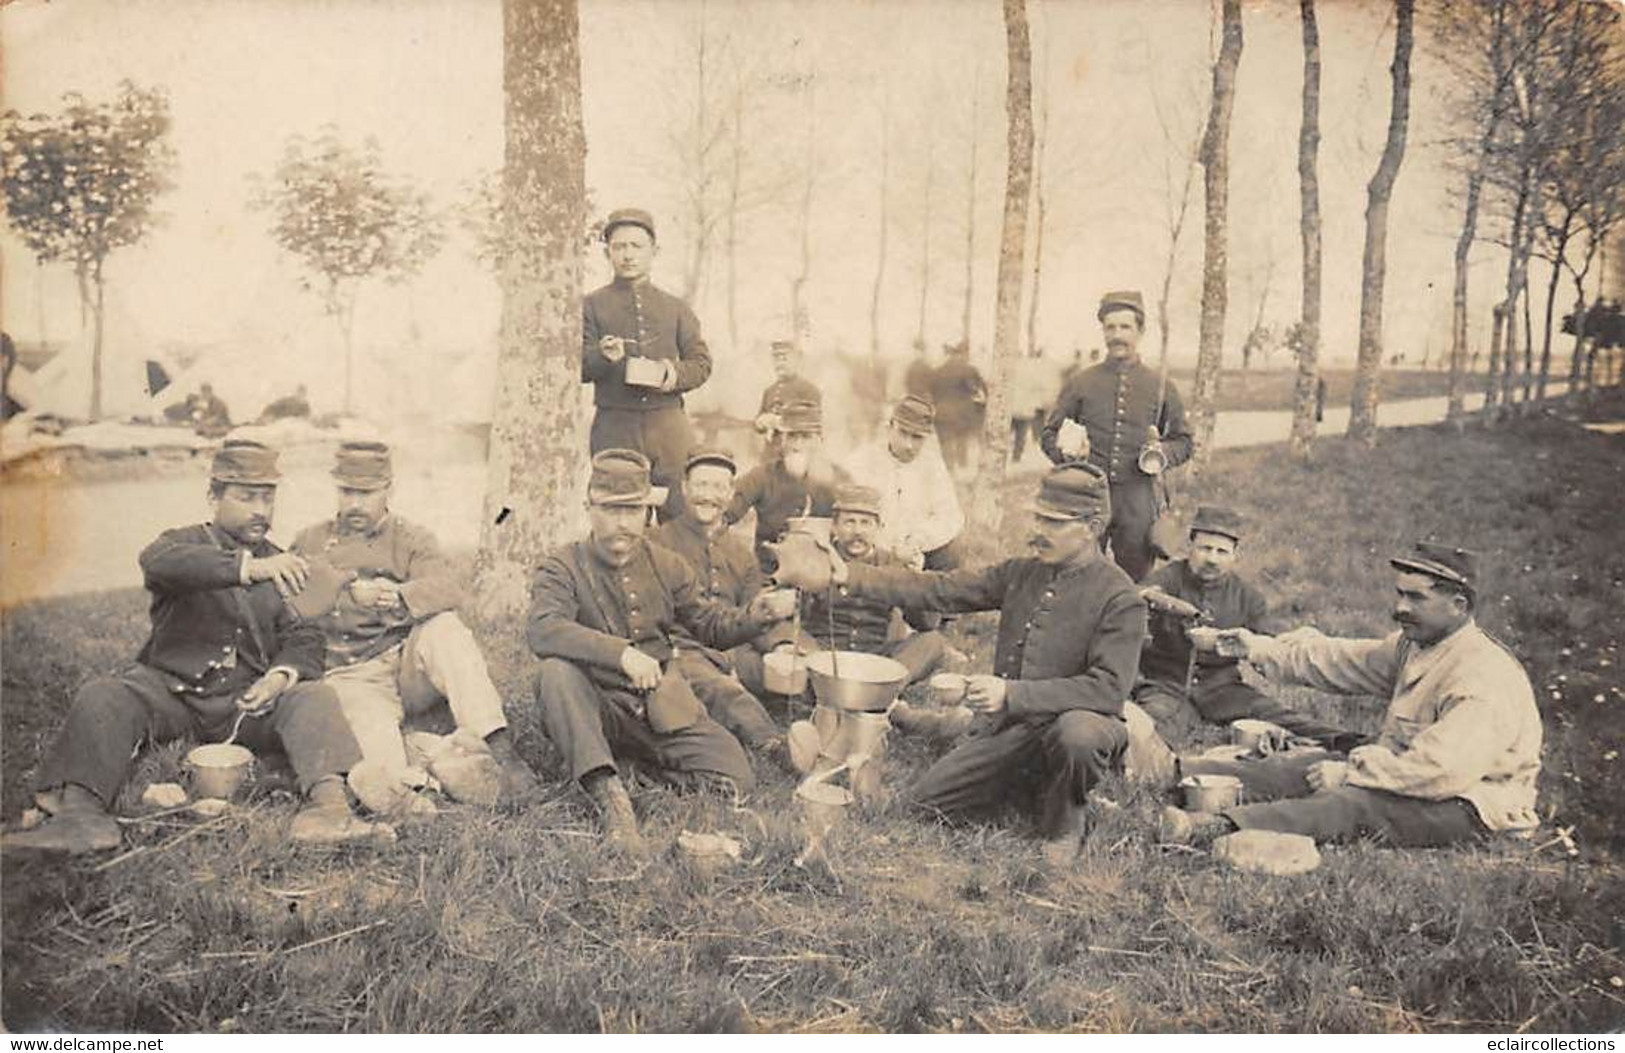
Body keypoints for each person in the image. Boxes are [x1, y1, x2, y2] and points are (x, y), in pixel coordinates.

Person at [2, 439, 379, 854]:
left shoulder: (282, 561)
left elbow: (303, 636)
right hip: (170, 694)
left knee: (314, 696)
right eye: (246, 496)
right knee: (104, 695)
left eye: (268, 498)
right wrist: (247, 568)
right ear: (213, 497)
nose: (260, 509)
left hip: (244, 704)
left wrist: (279, 675)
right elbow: (159, 563)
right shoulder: (181, 543)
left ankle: (327, 811)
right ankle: (81, 817)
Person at [773, 462, 1146, 865]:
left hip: (1075, 723)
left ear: (1090, 527)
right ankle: (1030, 785)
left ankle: (1065, 822)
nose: (1038, 529)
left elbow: (1108, 689)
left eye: (1053, 522)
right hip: (1015, 727)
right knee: (924, 806)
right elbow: (942, 590)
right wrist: (849, 574)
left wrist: (1012, 692)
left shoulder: (1120, 598)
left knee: (1079, 734)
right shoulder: (1023, 572)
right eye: (1038, 517)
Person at [1160, 543, 1543, 848]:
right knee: (1305, 766)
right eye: (1399, 595)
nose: (1399, 608)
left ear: (1458, 606)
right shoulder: (1419, 644)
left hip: (1474, 804)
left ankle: (1212, 827)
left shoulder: (1481, 678)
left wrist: (1351, 772)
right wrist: (1256, 648)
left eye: (1415, 599)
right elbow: (1341, 660)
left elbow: (1439, 772)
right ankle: (1176, 773)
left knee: (1352, 803)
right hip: (1412, 772)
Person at [528, 450, 795, 852]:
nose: (622, 523)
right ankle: (610, 799)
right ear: (589, 509)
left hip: (659, 704)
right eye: (610, 510)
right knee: (555, 673)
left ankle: (634, 771)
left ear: (647, 513)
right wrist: (621, 654)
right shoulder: (562, 565)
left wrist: (758, 615)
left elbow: (710, 626)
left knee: (736, 777)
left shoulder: (666, 564)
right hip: (594, 701)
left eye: (632, 510)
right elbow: (544, 629)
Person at [290, 440, 541, 813]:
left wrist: (399, 595)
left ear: (389, 488)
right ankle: (433, 769)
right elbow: (290, 608)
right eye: (347, 491)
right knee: (385, 772)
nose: (355, 503)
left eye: (367, 492)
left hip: (407, 665)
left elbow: (448, 587)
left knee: (445, 629)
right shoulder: (309, 540)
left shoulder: (411, 537)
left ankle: (501, 749)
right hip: (354, 675)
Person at [1133, 505, 1360, 751]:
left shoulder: (1248, 597)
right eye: (1205, 548)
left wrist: (1235, 642)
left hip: (1222, 688)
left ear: (1235, 555)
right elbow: (1139, 595)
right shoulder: (1167, 578)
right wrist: (1160, 603)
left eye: (1222, 551)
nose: (1212, 559)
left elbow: (1268, 646)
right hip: (1167, 685)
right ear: (1190, 547)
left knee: (1278, 714)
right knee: (1152, 727)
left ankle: (1351, 743)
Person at [1041, 290, 1193, 582]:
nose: (1117, 335)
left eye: (1125, 327)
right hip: (1085, 498)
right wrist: (1066, 453)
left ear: (1141, 331)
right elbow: (1049, 434)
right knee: (1076, 575)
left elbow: (1184, 441)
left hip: (1137, 501)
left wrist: (1160, 454)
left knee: (1133, 581)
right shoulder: (1081, 382)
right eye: (1110, 327)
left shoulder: (1160, 386)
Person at [651, 447, 788, 754]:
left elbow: (755, 613)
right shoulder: (657, 542)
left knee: (790, 676)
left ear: (730, 494)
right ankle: (773, 745)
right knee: (724, 690)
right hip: (680, 650)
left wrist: (783, 647)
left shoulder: (741, 553)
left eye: (718, 487)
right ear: (684, 489)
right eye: (701, 485)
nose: (708, 496)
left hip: (732, 652)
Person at [582, 208, 711, 521]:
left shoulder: (676, 308)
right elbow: (576, 366)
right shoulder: (591, 305)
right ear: (608, 253)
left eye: (636, 246)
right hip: (615, 423)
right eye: (619, 247)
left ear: (654, 251)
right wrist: (602, 357)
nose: (627, 255)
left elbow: (701, 362)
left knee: (681, 513)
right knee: (617, 513)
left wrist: (671, 373)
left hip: (668, 424)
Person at [797, 484, 963, 684]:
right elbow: (795, 616)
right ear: (834, 526)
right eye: (849, 522)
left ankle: (882, 691)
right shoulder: (817, 559)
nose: (857, 531)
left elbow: (926, 624)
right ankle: (871, 699)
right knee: (792, 643)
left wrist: (915, 579)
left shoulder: (892, 564)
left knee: (932, 642)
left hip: (875, 660)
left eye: (866, 523)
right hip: (823, 654)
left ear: (878, 527)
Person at [726, 399, 847, 571]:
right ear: (782, 440)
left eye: (805, 437)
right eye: (792, 436)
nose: (797, 445)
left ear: (819, 440)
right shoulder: (762, 476)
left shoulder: (839, 479)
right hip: (769, 574)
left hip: (824, 575)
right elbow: (724, 513)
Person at [846, 395, 965, 571]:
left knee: (951, 553)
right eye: (903, 433)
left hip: (916, 550)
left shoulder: (932, 466)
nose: (909, 445)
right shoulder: (862, 460)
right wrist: (886, 551)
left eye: (917, 437)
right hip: (872, 550)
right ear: (889, 428)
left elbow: (950, 517)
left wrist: (918, 540)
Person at [930, 341, 987, 474]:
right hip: (962, 413)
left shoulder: (938, 370)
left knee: (946, 443)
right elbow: (977, 388)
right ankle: (962, 467)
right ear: (964, 354)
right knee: (962, 441)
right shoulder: (969, 370)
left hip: (942, 412)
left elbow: (932, 392)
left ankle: (949, 470)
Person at [1010, 349, 1060, 464]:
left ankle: (1011, 454)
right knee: (1021, 432)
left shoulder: (1011, 369)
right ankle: (1016, 456)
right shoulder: (1030, 369)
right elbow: (1038, 385)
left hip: (1013, 406)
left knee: (1012, 430)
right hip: (1026, 404)